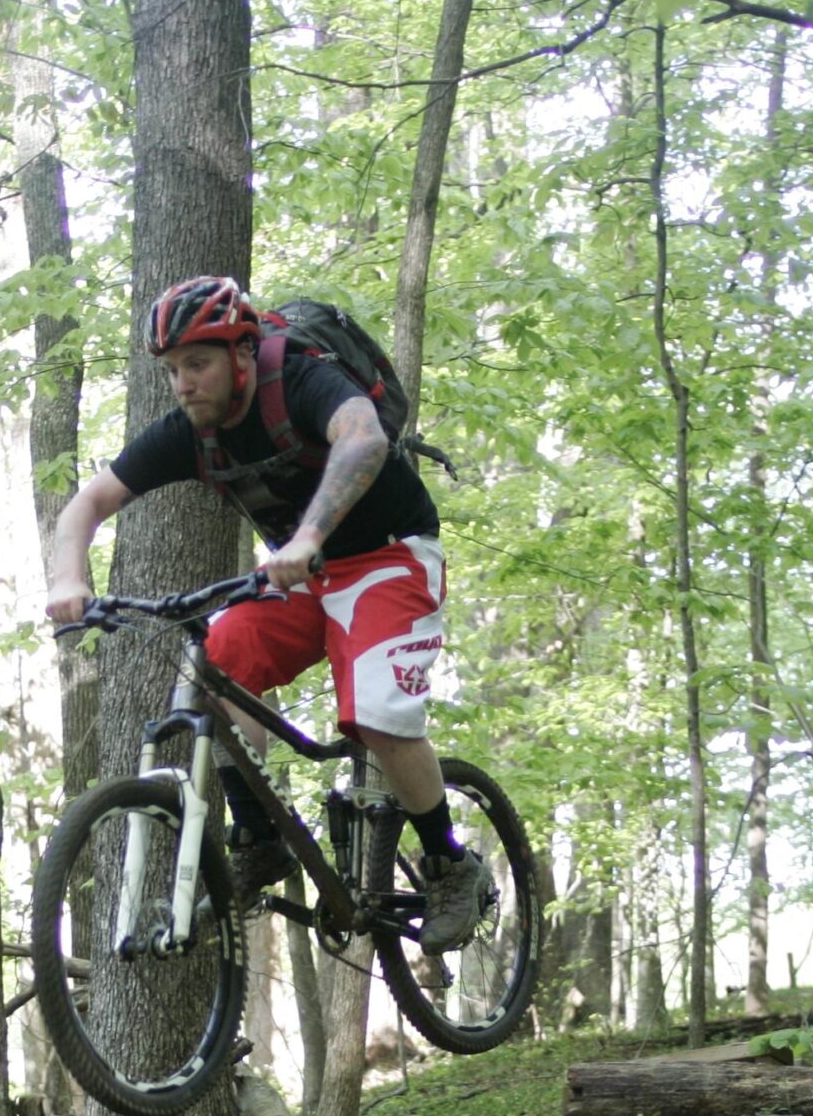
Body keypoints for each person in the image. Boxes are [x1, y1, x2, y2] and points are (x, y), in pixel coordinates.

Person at [43, 274, 490, 951]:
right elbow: (87, 505)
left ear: (242, 353)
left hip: (389, 554)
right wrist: (68, 580)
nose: (183, 383)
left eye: (198, 363)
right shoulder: (187, 432)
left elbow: (363, 439)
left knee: (375, 711)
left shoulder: (300, 381)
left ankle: (448, 863)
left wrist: (308, 536)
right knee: (214, 667)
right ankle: (258, 836)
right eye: (171, 369)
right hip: (303, 575)